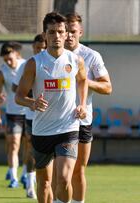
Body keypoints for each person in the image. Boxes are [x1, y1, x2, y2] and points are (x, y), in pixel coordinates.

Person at [15, 12, 88, 203]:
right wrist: (32, 103)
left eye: (60, 32)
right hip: (42, 130)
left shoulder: (75, 60)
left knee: (64, 179)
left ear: (66, 34)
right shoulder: (35, 63)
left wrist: (82, 104)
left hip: (68, 128)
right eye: (52, 32)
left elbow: (82, 81)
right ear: (45, 34)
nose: (57, 36)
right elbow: (19, 97)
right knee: (45, 183)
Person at [65, 13, 112, 203]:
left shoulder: (91, 56)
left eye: (73, 31)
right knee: (57, 171)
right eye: (65, 31)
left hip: (82, 121)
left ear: (80, 32)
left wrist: (84, 80)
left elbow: (107, 87)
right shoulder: (51, 55)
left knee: (78, 169)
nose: (68, 35)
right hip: (56, 121)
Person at [12, 34, 47, 199]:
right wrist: (31, 97)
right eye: (37, 48)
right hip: (32, 117)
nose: (40, 50)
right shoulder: (27, 65)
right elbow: (16, 89)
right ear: (33, 48)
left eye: (43, 47)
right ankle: (30, 183)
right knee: (32, 150)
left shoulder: (54, 64)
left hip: (53, 118)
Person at [0, 41, 26, 188]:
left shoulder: (27, 66)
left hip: (30, 112)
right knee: (14, 145)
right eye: (5, 59)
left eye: (10, 58)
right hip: (13, 114)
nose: (8, 61)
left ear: (17, 54)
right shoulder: (2, 72)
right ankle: (14, 177)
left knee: (29, 146)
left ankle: (26, 173)